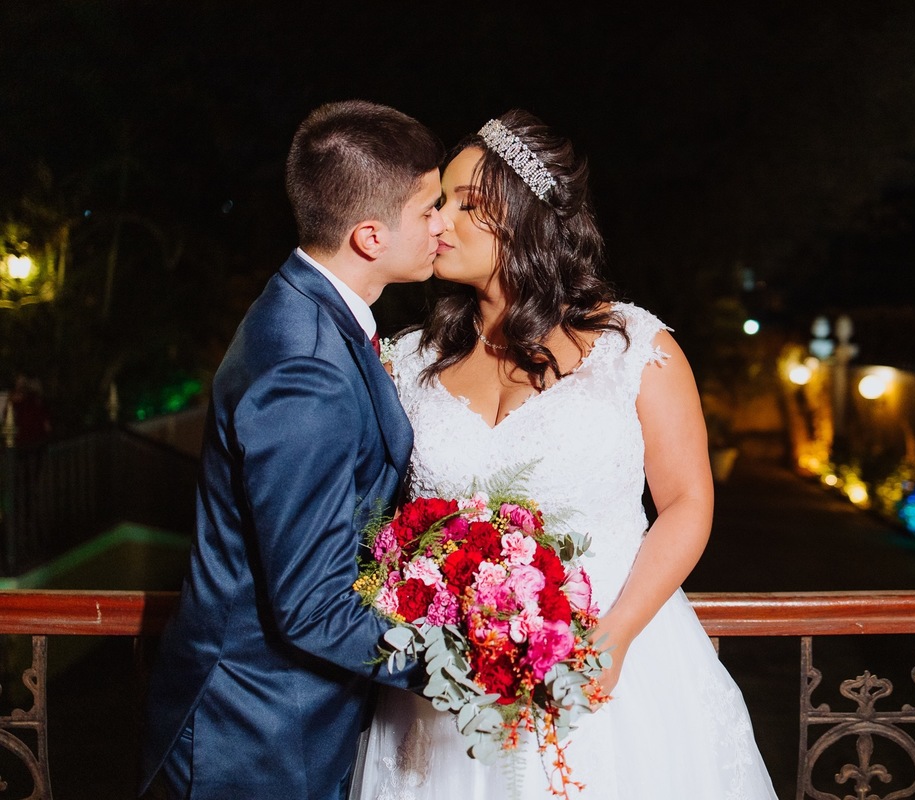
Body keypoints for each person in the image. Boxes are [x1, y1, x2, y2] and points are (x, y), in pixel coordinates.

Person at [352, 110, 778, 799]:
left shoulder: (636, 350)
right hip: (444, 693)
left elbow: (687, 503)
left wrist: (615, 636)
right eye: (437, 205)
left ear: (524, 219)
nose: (440, 223)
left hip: (612, 668)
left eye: (466, 204)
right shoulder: (405, 363)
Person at [140, 100, 445, 800]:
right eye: (429, 209)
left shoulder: (310, 311)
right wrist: (462, 667)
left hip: (286, 720)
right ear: (370, 235)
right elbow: (309, 604)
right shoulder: (303, 365)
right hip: (255, 736)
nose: (442, 226)